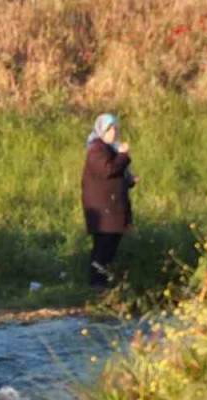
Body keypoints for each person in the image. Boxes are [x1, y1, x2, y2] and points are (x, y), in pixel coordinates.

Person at [82, 113, 136, 289]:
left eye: (115, 128)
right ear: (101, 131)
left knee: (110, 246)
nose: (114, 132)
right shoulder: (96, 149)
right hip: (103, 209)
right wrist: (123, 156)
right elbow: (107, 170)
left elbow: (113, 176)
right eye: (110, 129)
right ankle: (96, 283)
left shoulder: (109, 149)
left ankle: (103, 281)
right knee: (103, 247)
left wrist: (128, 181)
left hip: (111, 207)